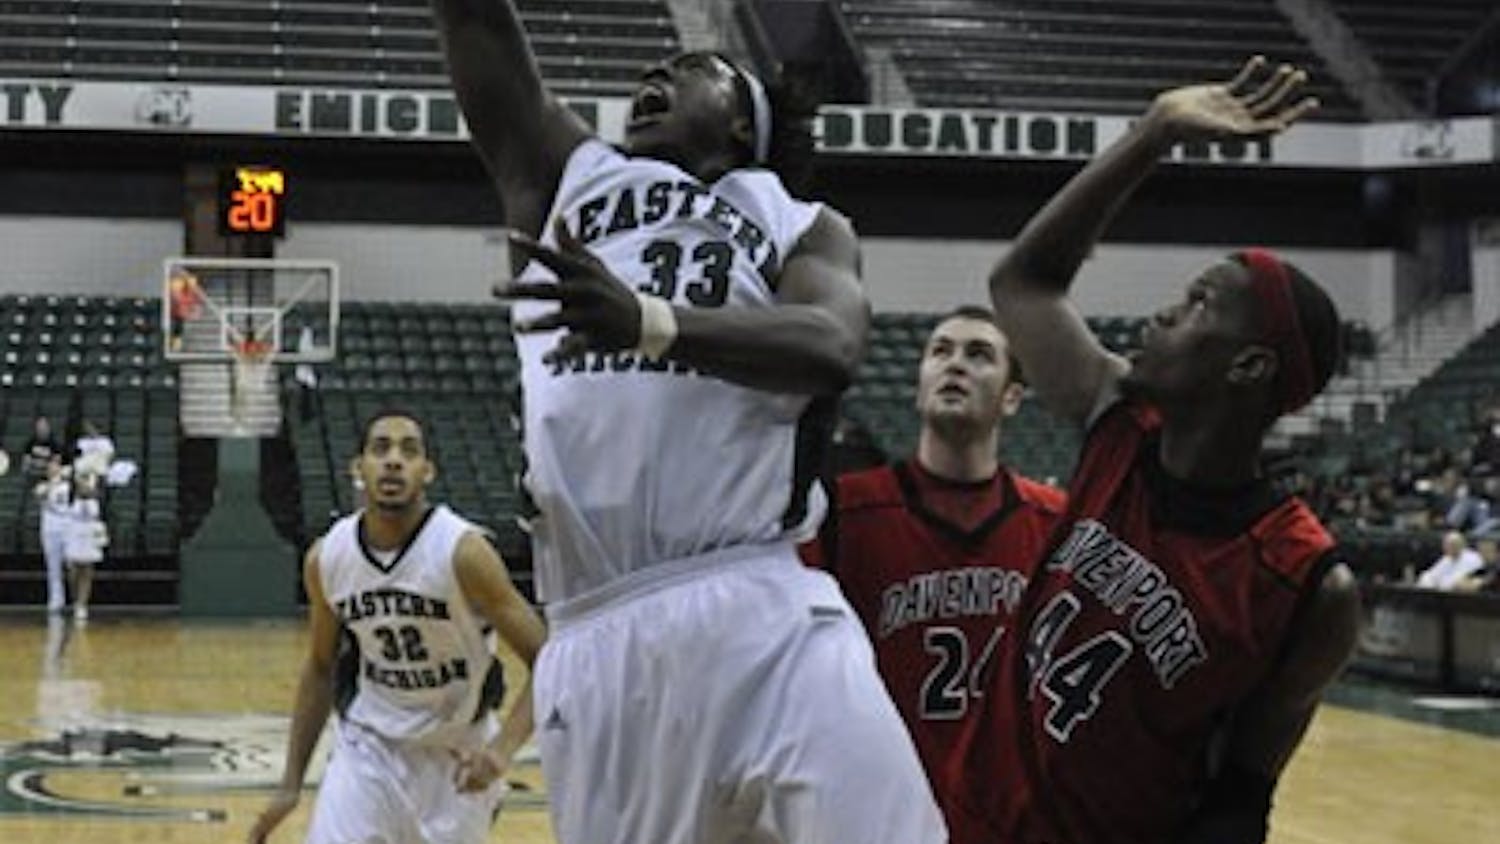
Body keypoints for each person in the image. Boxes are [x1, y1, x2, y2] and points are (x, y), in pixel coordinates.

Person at [427, 1, 945, 841]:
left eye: (688, 69)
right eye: (652, 72)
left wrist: (648, 323)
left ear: (743, 118)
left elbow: (832, 343)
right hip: (600, 626)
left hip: (763, 602)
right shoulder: (565, 175)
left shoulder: (803, 224)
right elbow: (479, 29)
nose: (654, 77)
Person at [947, 57, 1363, 844]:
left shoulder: (1304, 583)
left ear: (1248, 366)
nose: (1165, 313)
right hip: (965, 821)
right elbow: (1024, 283)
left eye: (1199, 304)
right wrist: (1153, 133)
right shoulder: (1120, 427)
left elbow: (1242, 795)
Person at [802, 306, 1065, 840]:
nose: (956, 365)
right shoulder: (843, 515)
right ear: (919, 386)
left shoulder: (1057, 525)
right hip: (877, 809)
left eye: (979, 355)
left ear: (1012, 397)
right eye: (940, 351)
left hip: (1009, 816)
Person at [248, 410, 546, 844]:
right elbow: (319, 667)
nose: (393, 460)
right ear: (359, 467)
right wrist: (291, 783)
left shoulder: (463, 553)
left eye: (409, 451)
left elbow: (548, 658)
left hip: (457, 752)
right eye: (380, 448)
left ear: (427, 472)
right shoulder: (328, 558)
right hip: (369, 747)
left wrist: (502, 752)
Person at [63, 473, 105, 622]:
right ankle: (75, 600)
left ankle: (82, 604)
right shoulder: (70, 497)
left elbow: (100, 515)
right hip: (74, 532)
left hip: (90, 533)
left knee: (87, 571)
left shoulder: (97, 498)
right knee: (73, 572)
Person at [35, 455, 71, 613]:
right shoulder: (43, 486)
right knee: (53, 566)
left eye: (56, 465)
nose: (53, 468)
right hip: (50, 528)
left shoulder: (69, 485)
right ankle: (56, 600)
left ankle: (76, 599)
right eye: (50, 465)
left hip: (68, 527)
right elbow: (40, 494)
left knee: (72, 564)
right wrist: (54, 481)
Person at [1415, 530, 1486, 591]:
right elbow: (1431, 575)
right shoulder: (1446, 558)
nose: (1449, 547)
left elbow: (1461, 581)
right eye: (1447, 545)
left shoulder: (1473, 558)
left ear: (1462, 544)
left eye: (1453, 544)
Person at [20, 415, 61, 482]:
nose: (41, 428)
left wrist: (43, 464)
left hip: (48, 474)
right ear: (36, 428)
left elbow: (57, 460)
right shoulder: (30, 443)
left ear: (48, 427)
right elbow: (26, 461)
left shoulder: (54, 444)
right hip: (33, 473)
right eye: (39, 426)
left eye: (43, 426)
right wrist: (37, 464)